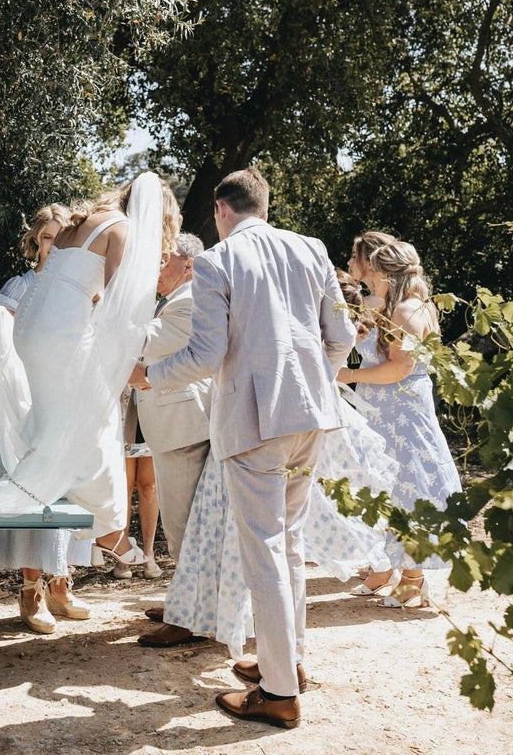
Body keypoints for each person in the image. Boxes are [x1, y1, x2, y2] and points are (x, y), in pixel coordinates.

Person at [131, 167, 355, 729]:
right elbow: (343, 339)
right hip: (312, 417)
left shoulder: (217, 259)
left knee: (265, 551)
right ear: (264, 205)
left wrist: (148, 376)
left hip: (255, 421)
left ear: (221, 211)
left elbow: (205, 356)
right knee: (290, 542)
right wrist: (311, 383)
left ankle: (279, 693)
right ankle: (290, 662)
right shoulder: (311, 247)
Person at [143, 268, 396, 659]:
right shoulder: (298, 325)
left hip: (258, 432)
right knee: (211, 532)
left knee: (248, 539)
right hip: (238, 429)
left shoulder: (296, 334)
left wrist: (148, 376)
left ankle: (237, 636)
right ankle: (197, 613)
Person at [0, 172, 181, 572]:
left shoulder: (90, 218)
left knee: (62, 414)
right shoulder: (124, 230)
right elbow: (122, 303)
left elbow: (75, 282)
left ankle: (99, 525)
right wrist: (134, 357)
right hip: (59, 330)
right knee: (95, 419)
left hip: (33, 324)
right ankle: (109, 532)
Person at [0, 205, 91, 634]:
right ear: (36, 241)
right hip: (28, 403)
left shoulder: (81, 287)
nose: (53, 245)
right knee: (34, 487)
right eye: (47, 237)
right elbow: (0, 343)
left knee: (67, 487)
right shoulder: (22, 286)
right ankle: (31, 591)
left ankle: (60, 584)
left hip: (66, 398)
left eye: (60, 237)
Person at [340, 235, 461, 607]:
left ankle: (413, 578)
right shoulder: (398, 307)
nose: (369, 280)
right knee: (389, 489)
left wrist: (346, 375)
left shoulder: (407, 311)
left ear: (387, 275)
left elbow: (398, 368)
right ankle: (397, 569)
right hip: (385, 412)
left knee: (410, 487)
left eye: (373, 273)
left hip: (402, 412)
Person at [130, 231, 214, 645]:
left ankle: (188, 619)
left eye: (164, 261)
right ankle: (183, 601)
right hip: (175, 422)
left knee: (182, 523)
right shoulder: (175, 299)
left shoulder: (191, 299)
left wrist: (111, 311)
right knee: (179, 520)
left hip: (184, 424)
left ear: (189, 265)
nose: (157, 270)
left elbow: (147, 341)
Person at [116, 387, 161, 579]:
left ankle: (149, 554)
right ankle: (122, 556)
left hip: (151, 401)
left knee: (149, 487)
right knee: (123, 487)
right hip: (121, 405)